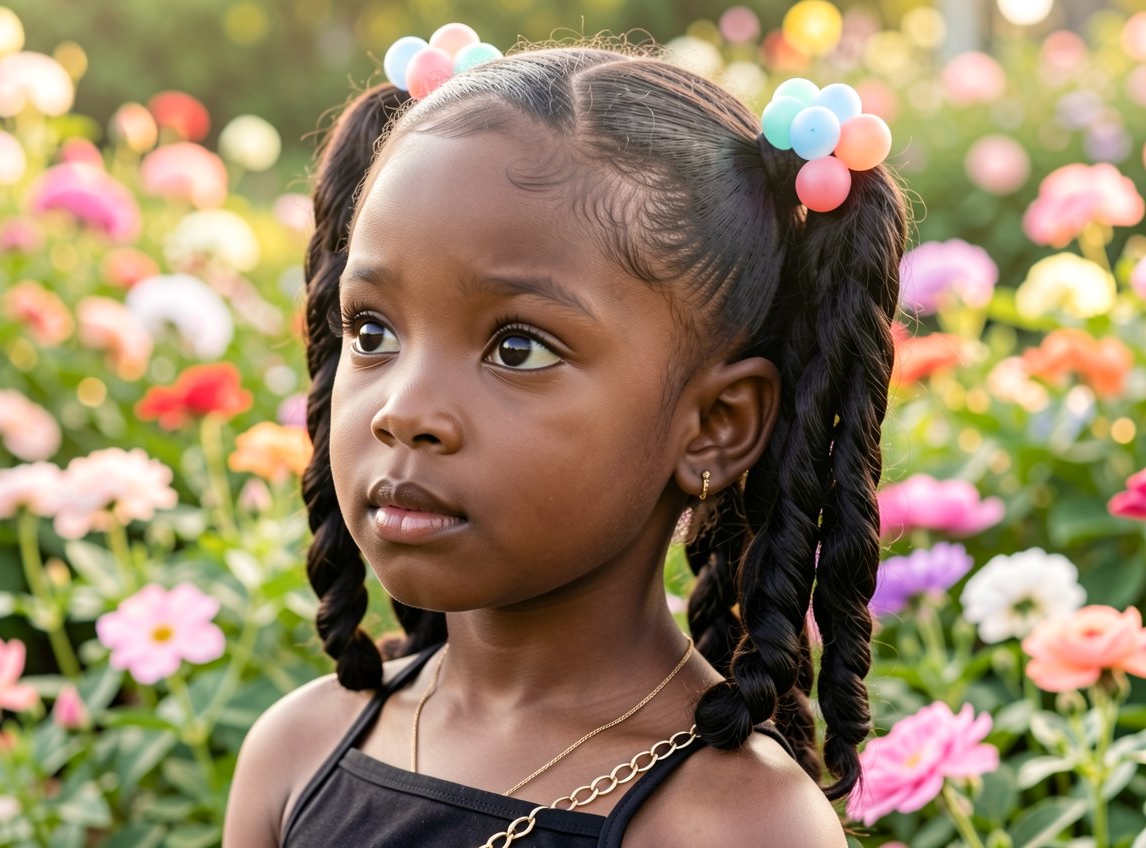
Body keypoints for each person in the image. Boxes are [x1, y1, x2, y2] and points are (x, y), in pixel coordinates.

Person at [225, 38, 907, 848]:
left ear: (717, 424)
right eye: (373, 330)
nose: (403, 411)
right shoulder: (297, 756)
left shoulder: (730, 825)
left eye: (517, 348)